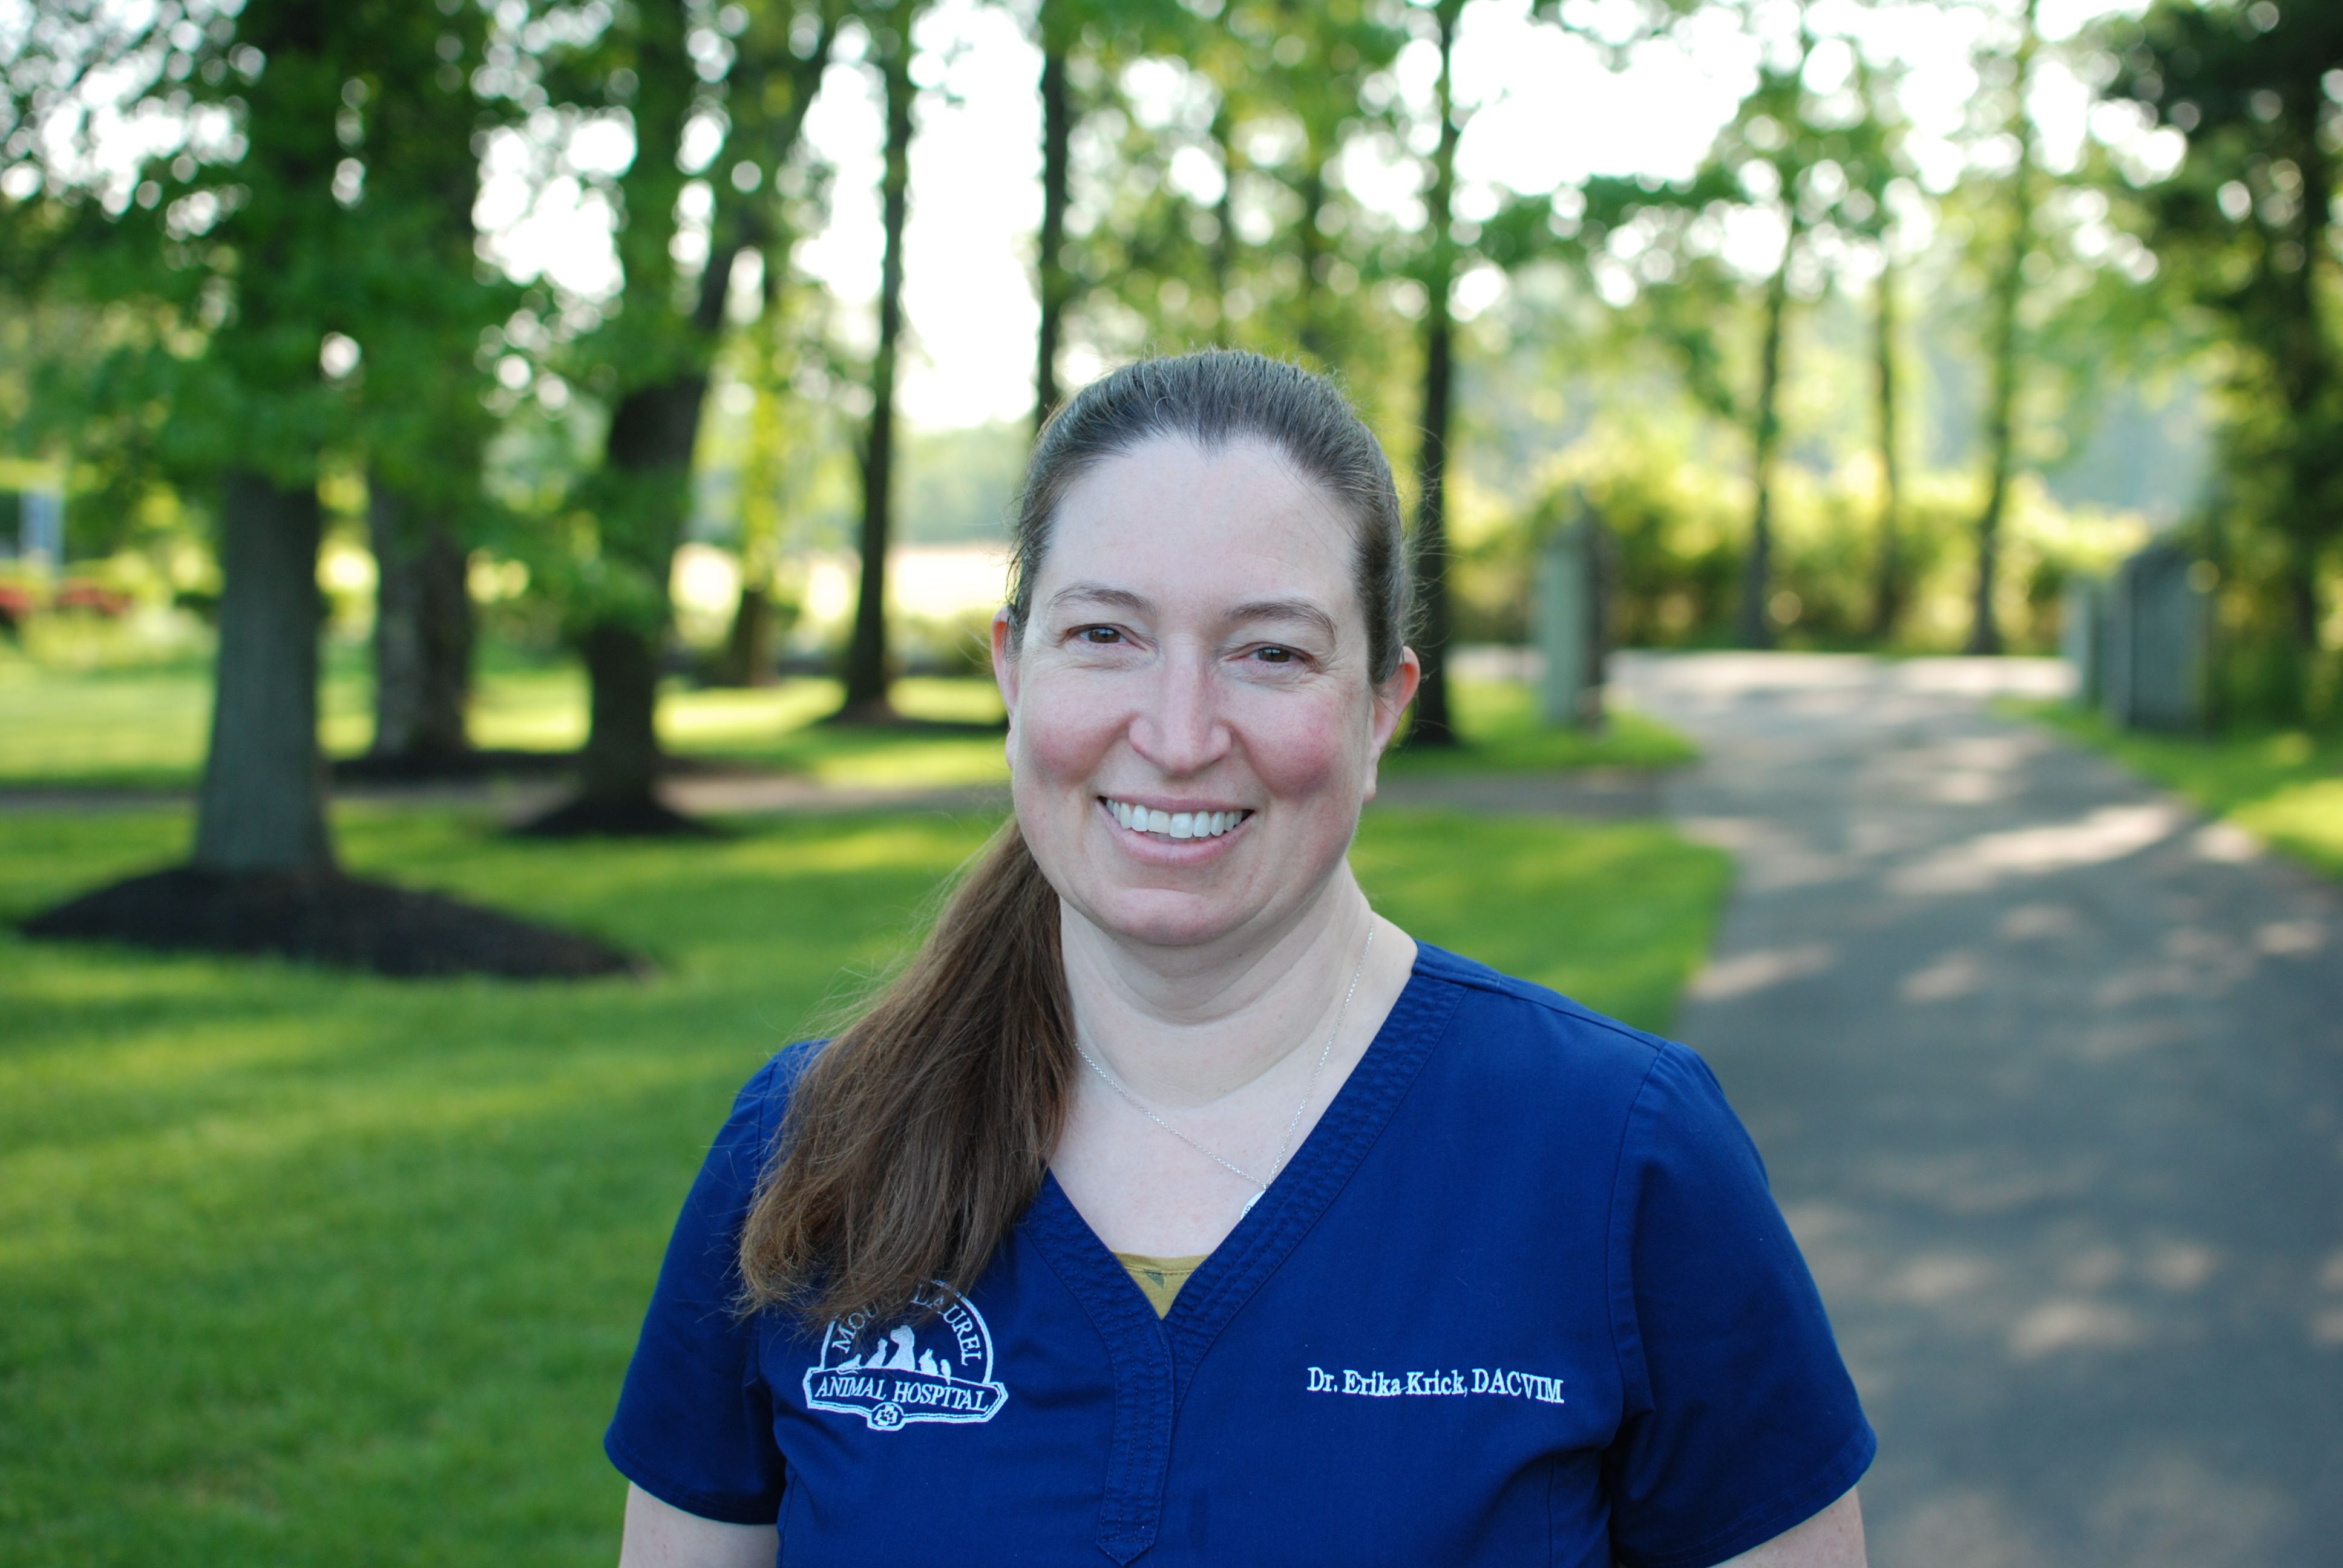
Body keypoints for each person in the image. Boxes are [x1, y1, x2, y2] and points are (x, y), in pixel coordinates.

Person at [606, 350, 1873, 1567]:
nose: (1178, 735)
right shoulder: (811, 1148)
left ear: (1380, 710)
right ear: (1013, 672)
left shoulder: (1621, 1159)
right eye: (1105, 635)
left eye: (1270, 652)